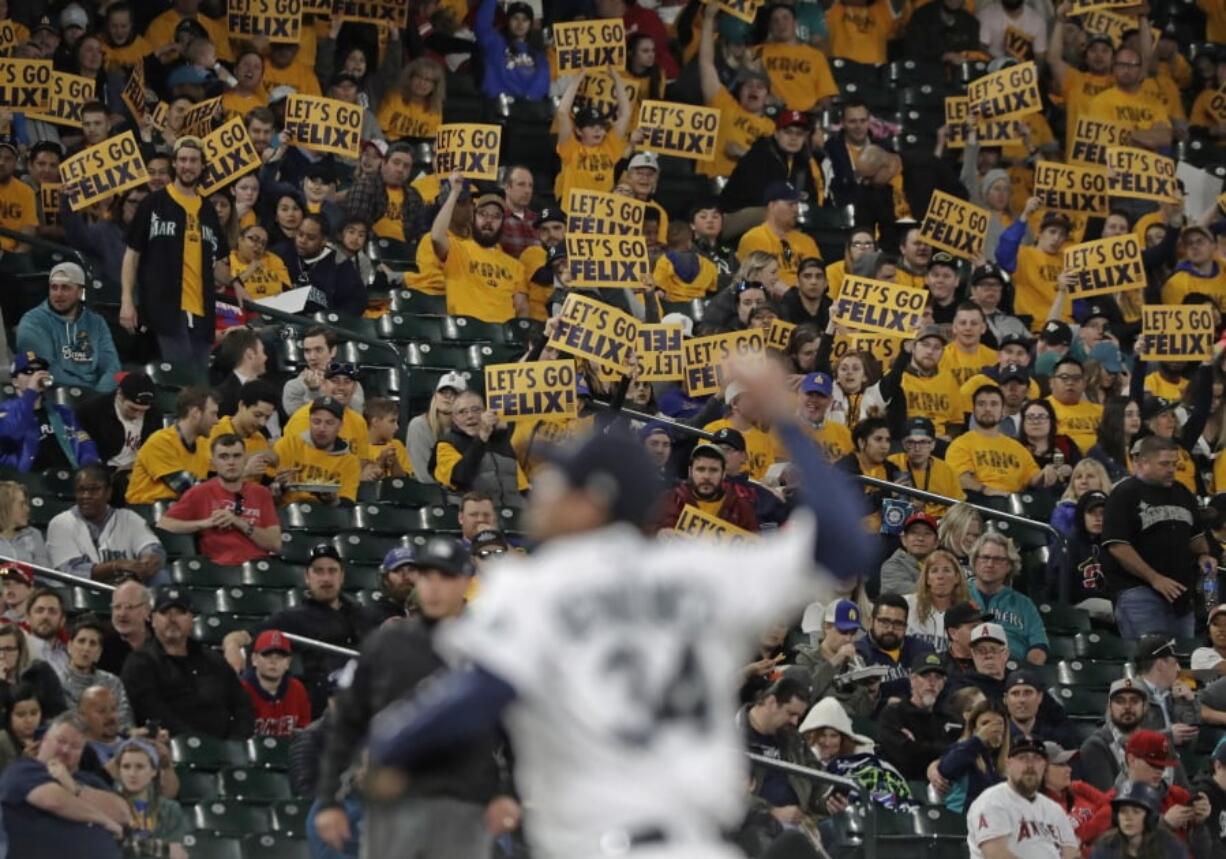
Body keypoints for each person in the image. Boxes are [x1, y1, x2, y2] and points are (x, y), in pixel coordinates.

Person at [363, 358, 874, 859]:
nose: (543, 487)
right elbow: (846, 544)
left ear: (594, 501)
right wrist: (785, 419)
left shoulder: (539, 585)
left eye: (561, 480)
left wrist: (389, 748)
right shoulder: (697, 572)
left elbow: (479, 695)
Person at [313, 536, 519, 856]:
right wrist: (328, 799)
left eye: (445, 577)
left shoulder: (487, 649)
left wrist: (508, 793)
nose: (434, 587)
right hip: (394, 803)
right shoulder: (386, 646)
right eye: (427, 576)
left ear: (466, 581)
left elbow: (515, 729)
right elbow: (346, 725)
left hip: (465, 804)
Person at [225, 544, 376, 716]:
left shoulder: (362, 613)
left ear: (342, 576)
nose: (326, 578)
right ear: (307, 577)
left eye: (332, 571)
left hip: (370, 694)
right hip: (326, 704)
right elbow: (242, 637)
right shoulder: (293, 618)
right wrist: (232, 646)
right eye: (318, 571)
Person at [120, 136, 230, 366]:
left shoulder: (208, 210)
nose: (187, 166)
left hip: (202, 313)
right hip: (164, 310)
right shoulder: (152, 203)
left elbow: (219, 262)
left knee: (198, 385)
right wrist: (127, 301)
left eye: (193, 160)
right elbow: (132, 255)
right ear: (174, 163)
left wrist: (237, 282)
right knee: (180, 380)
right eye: (182, 160)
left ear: (202, 166)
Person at [1104, 435, 1213, 639]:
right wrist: (1155, 578)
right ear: (1143, 462)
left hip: (1181, 594)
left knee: (1182, 661)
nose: (1171, 469)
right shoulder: (1124, 494)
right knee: (1153, 657)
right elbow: (1118, 546)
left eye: (1174, 464)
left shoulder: (1183, 493)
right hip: (1139, 592)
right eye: (1164, 464)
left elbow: (1196, 538)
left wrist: (1205, 556)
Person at [120, 587, 254, 739]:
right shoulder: (140, 663)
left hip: (224, 751)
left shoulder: (213, 660)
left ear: (191, 620)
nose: (172, 619)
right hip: (171, 749)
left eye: (179, 613)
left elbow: (242, 706)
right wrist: (195, 743)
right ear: (153, 620)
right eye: (165, 613)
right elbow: (152, 713)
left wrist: (235, 743)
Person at [0, 713, 130, 858]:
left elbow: (123, 814)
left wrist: (73, 787)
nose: (66, 750)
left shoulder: (90, 781)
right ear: (44, 739)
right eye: (61, 741)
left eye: (75, 747)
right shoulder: (24, 769)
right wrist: (104, 820)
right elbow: (53, 801)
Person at [157, 433, 281, 565]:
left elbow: (275, 544)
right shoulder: (200, 492)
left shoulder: (261, 493)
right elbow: (164, 524)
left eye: (236, 456)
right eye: (224, 457)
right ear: (213, 462)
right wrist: (204, 523)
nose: (231, 462)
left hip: (258, 567)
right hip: (217, 569)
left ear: (245, 459)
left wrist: (239, 523)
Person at [1078, 730, 1211, 851]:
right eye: (1153, 764)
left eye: (1163, 765)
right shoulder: (1112, 805)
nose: (1160, 771)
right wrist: (1163, 824)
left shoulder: (1178, 796)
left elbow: (1202, 853)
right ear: (1131, 760)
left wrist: (1198, 825)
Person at [47, 463, 165, 585]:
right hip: (82, 594)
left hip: (127, 589)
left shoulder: (128, 518)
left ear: (108, 492)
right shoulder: (61, 523)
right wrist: (117, 566)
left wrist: (146, 563)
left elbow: (154, 548)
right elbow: (72, 570)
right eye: (81, 490)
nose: (86, 496)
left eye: (94, 490)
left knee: (160, 575)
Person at [966, 735, 1079, 859]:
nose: (1030, 765)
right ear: (1008, 764)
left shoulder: (1055, 810)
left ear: (1044, 766)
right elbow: (996, 855)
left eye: (1037, 758)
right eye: (1022, 758)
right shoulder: (991, 801)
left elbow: (1072, 854)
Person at [15, 262, 119, 392]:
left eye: (65, 288)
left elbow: (112, 367)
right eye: (54, 287)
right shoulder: (33, 321)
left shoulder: (96, 322)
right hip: (54, 393)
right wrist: (87, 392)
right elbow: (45, 369)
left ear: (80, 291)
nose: (58, 294)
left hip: (96, 395)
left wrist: (101, 394)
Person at [735, 678, 819, 822]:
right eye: (791, 713)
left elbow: (816, 773)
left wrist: (829, 799)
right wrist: (772, 813)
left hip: (802, 819)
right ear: (771, 702)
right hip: (755, 825)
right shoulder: (729, 738)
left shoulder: (792, 737)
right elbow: (726, 796)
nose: (795, 722)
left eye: (798, 716)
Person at [0, 352, 99, 473]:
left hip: (69, 480)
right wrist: (31, 393)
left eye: (41, 370)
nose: (37, 376)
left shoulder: (64, 413)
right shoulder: (5, 410)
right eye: (29, 372)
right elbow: (11, 434)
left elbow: (84, 443)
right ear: (15, 381)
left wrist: (89, 467)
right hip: (28, 481)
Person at [432, 389, 528, 509]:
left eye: (476, 410)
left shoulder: (501, 441)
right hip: (476, 516)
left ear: (485, 413)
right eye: (462, 412)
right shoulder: (446, 444)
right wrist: (481, 439)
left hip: (512, 514)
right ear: (455, 419)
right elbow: (459, 478)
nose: (470, 416)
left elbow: (521, 486)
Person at [945, 385, 1046, 496]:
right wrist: (986, 490)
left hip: (1013, 505)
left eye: (994, 404)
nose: (988, 409)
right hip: (978, 502)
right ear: (973, 410)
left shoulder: (1018, 448)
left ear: (1002, 411)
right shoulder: (960, 445)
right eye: (981, 404)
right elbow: (962, 480)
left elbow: (1034, 480)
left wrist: (1048, 473)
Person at [124, 387, 217, 505]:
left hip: (182, 512)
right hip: (147, 514)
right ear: (195, 413)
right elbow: (184, 485)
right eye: (213, 414)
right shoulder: (160, 442)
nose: (216, 420)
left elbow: (220, 477)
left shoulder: (204, 444)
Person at [967, 532, 1048, 665]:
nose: (990, 564)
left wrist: (1028, 670)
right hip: (968, 666)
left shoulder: (1024, 604)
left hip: (1012, 670)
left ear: (1009, 566)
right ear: (975, 561)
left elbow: (1039, 646)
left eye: (998, 559)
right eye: (985, 557)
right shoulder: (958, 595)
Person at [877, 652, 957, 781]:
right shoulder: (894, 714)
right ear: (912, 680)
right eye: (925, 676)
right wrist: (946, 750)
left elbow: (960, 755)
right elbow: (905, 756)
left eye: (938, 677)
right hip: (902, 785)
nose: (932, 683)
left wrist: (917, 746)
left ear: (943, 683)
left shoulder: (950, 719)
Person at [272, 397, 362, 507]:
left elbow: (348, 504)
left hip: (326, 518)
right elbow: (267, 490)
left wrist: (333, 501)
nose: (321, 428)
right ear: (309, 421)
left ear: (340, 426)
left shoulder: (349, 461)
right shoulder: (287, 445)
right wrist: (278, 485)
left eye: (329, 423)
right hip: (288, 513)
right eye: (316, 421)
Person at [52, 616, 132, 732]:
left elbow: (125, 721)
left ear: (99, 653)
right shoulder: (57, 683)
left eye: (93, 643)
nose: (86, 648)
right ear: (69, 646)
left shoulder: (112, 682)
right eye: (81, 641)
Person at [113, 738, 189, 859]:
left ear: (154, 771)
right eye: (126, 767)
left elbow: (176, 854)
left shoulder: (170, 809)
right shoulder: (109, 805)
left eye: (140, 767)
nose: (132, 773)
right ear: (119, 771)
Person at [657, 442, 759, 533]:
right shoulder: (670, 500)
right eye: (700, 469)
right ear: (690, 472)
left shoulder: (741, 508)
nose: (706, 476)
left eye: (713, 470)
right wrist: (658, 534)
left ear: (723, 474)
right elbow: (646, 532)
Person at [75, 372, 159, 478]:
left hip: (140, 469)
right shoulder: (92, 410)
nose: (138, 415)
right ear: (120, 394)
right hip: (106, 472)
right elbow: (85, 449)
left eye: (143, 411)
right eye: (133, 409)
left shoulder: (154, 413)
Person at [855, 594, 933, 707]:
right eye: (884, 622)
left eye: (898, 624)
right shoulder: (858, 653)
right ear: (871, 622)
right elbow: (857, 705)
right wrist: (885, 703)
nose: (890, 629)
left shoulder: (922, 650)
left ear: (906, 626)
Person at [937, 697, 1009, 814]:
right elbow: (946, 769)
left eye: (999, 724)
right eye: (985, 723)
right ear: (974, 728)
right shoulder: (962, 749)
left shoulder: (1002, 761)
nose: (992, 728)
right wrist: (978, 740)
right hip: (960, 822)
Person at [1088, 779, 1188, 859]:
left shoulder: (1170, 847)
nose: (1128, 818)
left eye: (1136, 812)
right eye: (1123, 811)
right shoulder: (1104, 847)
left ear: (1149, 817)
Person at [239, 630, 311, 739]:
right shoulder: (239, 690)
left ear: (288, 663)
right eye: (267, 655)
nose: (273, 662)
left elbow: (303, 731)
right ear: (254, 659)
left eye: (280, 657)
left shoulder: (297, 688)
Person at [282, 325, 366, 417]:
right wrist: (313, 391)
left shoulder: (350, 384)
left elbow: (356, 415)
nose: (312, 357)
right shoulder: (293, 386)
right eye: (307, 351)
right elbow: (302, 421)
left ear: (333, 351)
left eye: (318, 350)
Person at [1131, 636, 1200, 747]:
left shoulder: (1173, 695)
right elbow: (1125, 741)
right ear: (1160, 665)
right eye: (1175, 663)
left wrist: (1186, 702)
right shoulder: (1129, 696)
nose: (1178, 669)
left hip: (1174, 761)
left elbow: (1190, 741)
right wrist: (1168, 736)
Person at [905, 549, 973, 652]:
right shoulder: (907, 604)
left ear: (957, 578)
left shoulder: (968, 613)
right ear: (927, 579)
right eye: (934, 571)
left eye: (946, 570)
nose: (940, 576)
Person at [1047, 356, 1104, 454]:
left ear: (1084, 383)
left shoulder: (1100, 411)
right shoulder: (1042, 409)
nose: (1070, 382)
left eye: (1076, 378)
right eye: (1064, 378)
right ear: (1051, 382)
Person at [880, 512, 940, 596]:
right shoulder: (892, 565)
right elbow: (911, 595)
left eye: (927, 533)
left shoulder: (943, 566)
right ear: (903, 539)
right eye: (914, 532)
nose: (920, 538)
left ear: (936, 543)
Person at [99, 579, 150, 677]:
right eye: (117, 607)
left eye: (129, 607)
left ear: (146, 610)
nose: (122, 614)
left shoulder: (162, 639)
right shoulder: (103, 646)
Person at [0, 481, 50, 568]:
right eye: (22, 504)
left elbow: (47, 575)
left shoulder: (33, 534)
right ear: (6, 506)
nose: (27, 509)